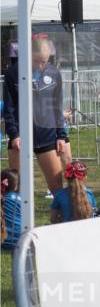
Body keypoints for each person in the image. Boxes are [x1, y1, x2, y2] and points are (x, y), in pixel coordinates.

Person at [2, 36, 71, 195]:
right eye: (36, 61)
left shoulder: (54, 73)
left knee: (57, 189)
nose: (40, 65)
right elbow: (9, 108)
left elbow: (57, 106)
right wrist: (14, 135)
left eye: (44, 61)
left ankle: (59, 211)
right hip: (20, 138)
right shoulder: (13, 73)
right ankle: (16, 212)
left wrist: (61, 135)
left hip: (47, 136)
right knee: (16, 189)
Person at [2, 169, 22, 250]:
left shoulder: (2, 198)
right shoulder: (23, 199)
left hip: (3, 242)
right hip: (22, 240)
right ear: (16, 186)